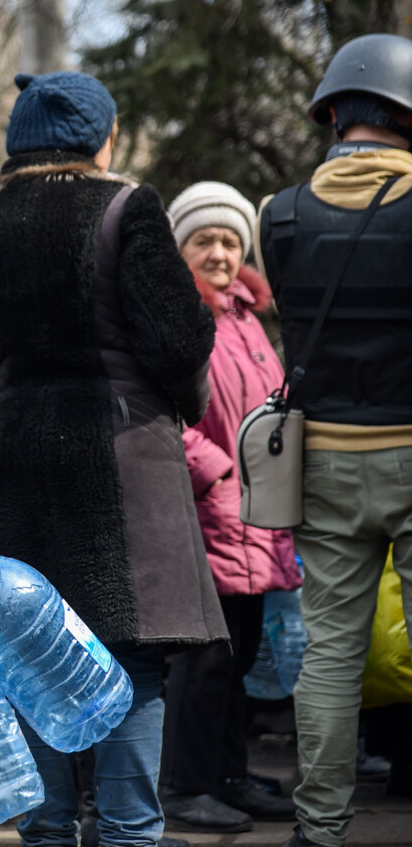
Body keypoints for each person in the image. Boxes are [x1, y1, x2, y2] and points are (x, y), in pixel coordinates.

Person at [0, 71, 226, 847]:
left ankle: (50, 829)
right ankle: (129, 833)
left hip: (22, 458)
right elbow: (177, 340)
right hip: (126, 461)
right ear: (103, 138)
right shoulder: (129, 209)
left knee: (33, 653)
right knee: (133, 660)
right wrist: (187, 403)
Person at [256, 33, 412, 847]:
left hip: (323, 460)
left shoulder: (278, 215)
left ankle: (319, 829)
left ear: (331, 114)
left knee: (330, 656)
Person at [158, 181, 301, 831]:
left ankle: (227, 774)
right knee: (204, 657)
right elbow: (159, 411)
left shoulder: (245, 315)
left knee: (239, 654)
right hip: (206, 507)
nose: (218, 252)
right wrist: (213, 472)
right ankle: (185, 786)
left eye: (228, 241)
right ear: (179, 247)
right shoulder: (174, 313)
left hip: (255, 508)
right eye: (203, 240)